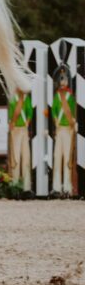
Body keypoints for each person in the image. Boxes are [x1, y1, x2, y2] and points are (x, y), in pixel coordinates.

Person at [50, 64, 77, 196]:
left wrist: (73, 124)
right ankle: (56, 187)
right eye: (61, 79)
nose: (63, 81)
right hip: (59, 129)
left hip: (68, 130)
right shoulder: (57, 96)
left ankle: (67, 187)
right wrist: (56, 120)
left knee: (67, 158)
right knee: (57, 157)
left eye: (65, 79)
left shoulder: (70, 97)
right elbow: (54, 110)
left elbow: (73, 112)